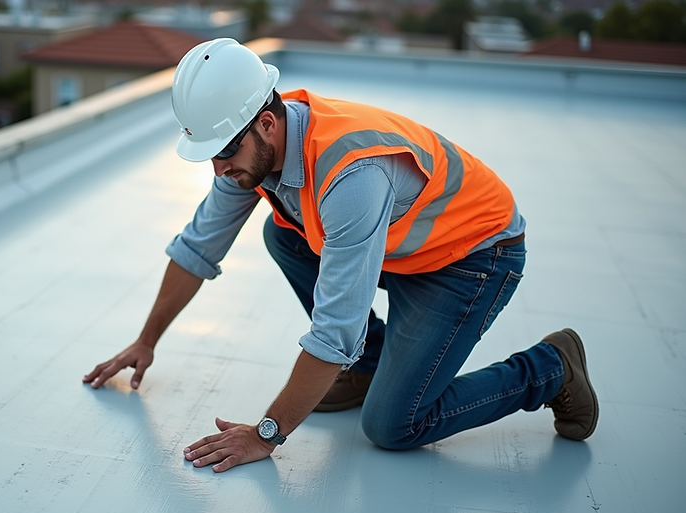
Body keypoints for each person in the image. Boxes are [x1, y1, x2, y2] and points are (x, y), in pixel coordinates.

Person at [82, 38, 598, 473]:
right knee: (283, 233)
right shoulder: (251, 156)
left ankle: (550, 369)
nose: (219, 169)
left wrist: (266, 435)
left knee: (393, 425)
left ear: (266, 123)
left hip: (473, 259)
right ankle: (370, 367)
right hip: (406, 249)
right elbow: (198, 246)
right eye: (210, 155)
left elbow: (335, 329)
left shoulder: (350, 176)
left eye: (225, 152)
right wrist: (145, 341)